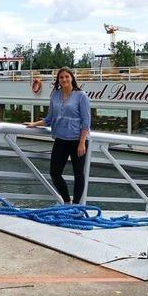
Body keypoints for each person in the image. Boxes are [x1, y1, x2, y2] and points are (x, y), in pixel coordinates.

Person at [24, 67, 91, 204]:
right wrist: (34, 124)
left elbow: (86, 121)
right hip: (60, 139)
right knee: (54, 173)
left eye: (67, 76)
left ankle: (76, 205)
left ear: (72, 78)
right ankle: (67, 201)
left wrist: (82, 142)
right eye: (61, 77)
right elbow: (49, 118)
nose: (64, 79)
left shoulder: (81, 96)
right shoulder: (55, 95)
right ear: (58, 80)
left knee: (78, 174)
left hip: (77, 140)